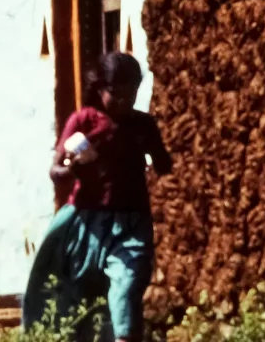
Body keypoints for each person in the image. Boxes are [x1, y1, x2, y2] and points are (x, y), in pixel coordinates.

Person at [23, 52, 173, 342]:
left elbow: (164, 163)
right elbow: (55, 172)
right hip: (85, 222)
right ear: (101, 89)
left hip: (131, 222)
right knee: (77, 296)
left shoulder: (142, 125)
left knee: (127, 285)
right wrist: (73, 165)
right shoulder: (83, 121)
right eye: (116, 94)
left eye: (132, 93)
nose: (124, 101)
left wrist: (152, 155)